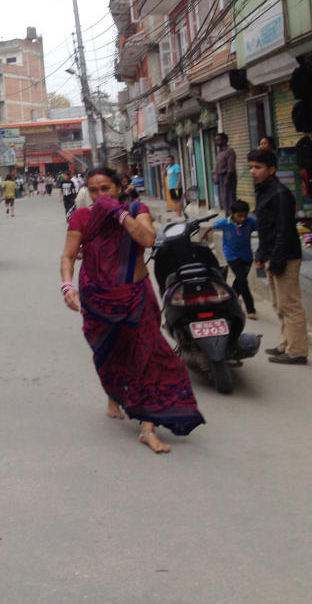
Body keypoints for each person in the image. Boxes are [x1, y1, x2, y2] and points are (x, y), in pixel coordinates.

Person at [60, 167, 205, 453]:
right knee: (110, 352)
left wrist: (119, 214)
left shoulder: (136, 209)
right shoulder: (82, 216)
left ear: (119, 188)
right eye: (94, 189)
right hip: (97, 300)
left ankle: (148, 426)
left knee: (149, 357)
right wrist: (67, 285)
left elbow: (148, 239)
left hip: (135, 297)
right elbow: (68, 254)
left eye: (106, 188)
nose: (100, 195)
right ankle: (114, 393)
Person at [249, 149, 309, 364]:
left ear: (271, 170)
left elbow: (285, 230)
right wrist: (261, 254)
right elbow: (266, 229)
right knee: (279, 304)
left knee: (290, 304)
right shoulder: (263, 191)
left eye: (258, 167)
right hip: (271, 255)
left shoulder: (280, 193)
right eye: (251, 167)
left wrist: (276, 259)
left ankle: (298, 351)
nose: (253, 171)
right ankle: (286, 344)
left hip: (285, 256)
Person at [202, 200, 257, 320]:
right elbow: (212, 226)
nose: (242, 219)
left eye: (245, 216)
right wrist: (204, 236)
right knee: (243, 281)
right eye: (239, 216)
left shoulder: (251, 222)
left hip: (247, 256)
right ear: (231, 213)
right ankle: (250, 309)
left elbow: (263, 228)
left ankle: (232, 298)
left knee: (240, 281)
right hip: (231, 255)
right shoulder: (225, 223)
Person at [214, 132, 237, 213]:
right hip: (220, 177)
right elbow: (217, 166)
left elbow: (231, 166)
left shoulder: (229, 151)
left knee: (229, 198)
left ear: (224, 140)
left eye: (218, 140)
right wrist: (216, 178)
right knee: (223, 198)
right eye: (216, 140)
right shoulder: (219, 152)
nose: (216, 142)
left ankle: (232, 217)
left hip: (228, 177)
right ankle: (227, 216)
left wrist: (227, 178)